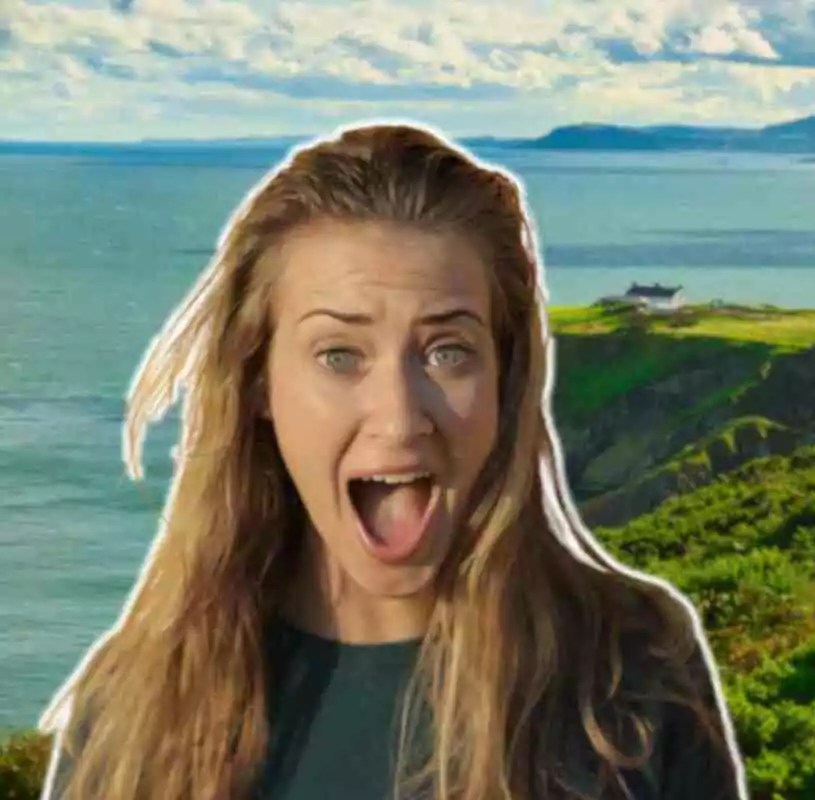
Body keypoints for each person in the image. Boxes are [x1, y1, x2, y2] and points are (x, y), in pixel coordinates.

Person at [38, 122, 746, 800]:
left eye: (448, 352)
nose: (401, 417)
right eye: (339, 356)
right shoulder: (135, 704)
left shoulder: (633, 674)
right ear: (259, 382)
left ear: (505, 380)